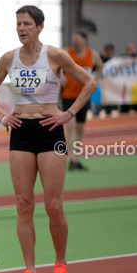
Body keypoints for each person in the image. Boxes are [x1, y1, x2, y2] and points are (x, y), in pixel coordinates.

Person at [0, 5, 96, 273]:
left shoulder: (55, 55)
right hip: (21, 133)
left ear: (40, 27)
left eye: (27, 24)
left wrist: (68, 114)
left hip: (50, 131)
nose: (21, 28)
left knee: (53, 204)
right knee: (23, 204)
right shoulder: (9, 58)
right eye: (18, 24)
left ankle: (60, 265)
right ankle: (30, 271)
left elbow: (89, 83)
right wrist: (1, 116)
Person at [58, 32, 101, 170]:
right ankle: (71, 158)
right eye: (73, 39)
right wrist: (60, 77)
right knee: (70, 126)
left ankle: (76, 158)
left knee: (80, 128)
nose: (74, 41)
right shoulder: (66, 52)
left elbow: (100, 67)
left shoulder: (92, 55)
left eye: (77, 39)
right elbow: (53, 65)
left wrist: (96, 79)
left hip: (84, 96)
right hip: (68, 95)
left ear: (84, 40)